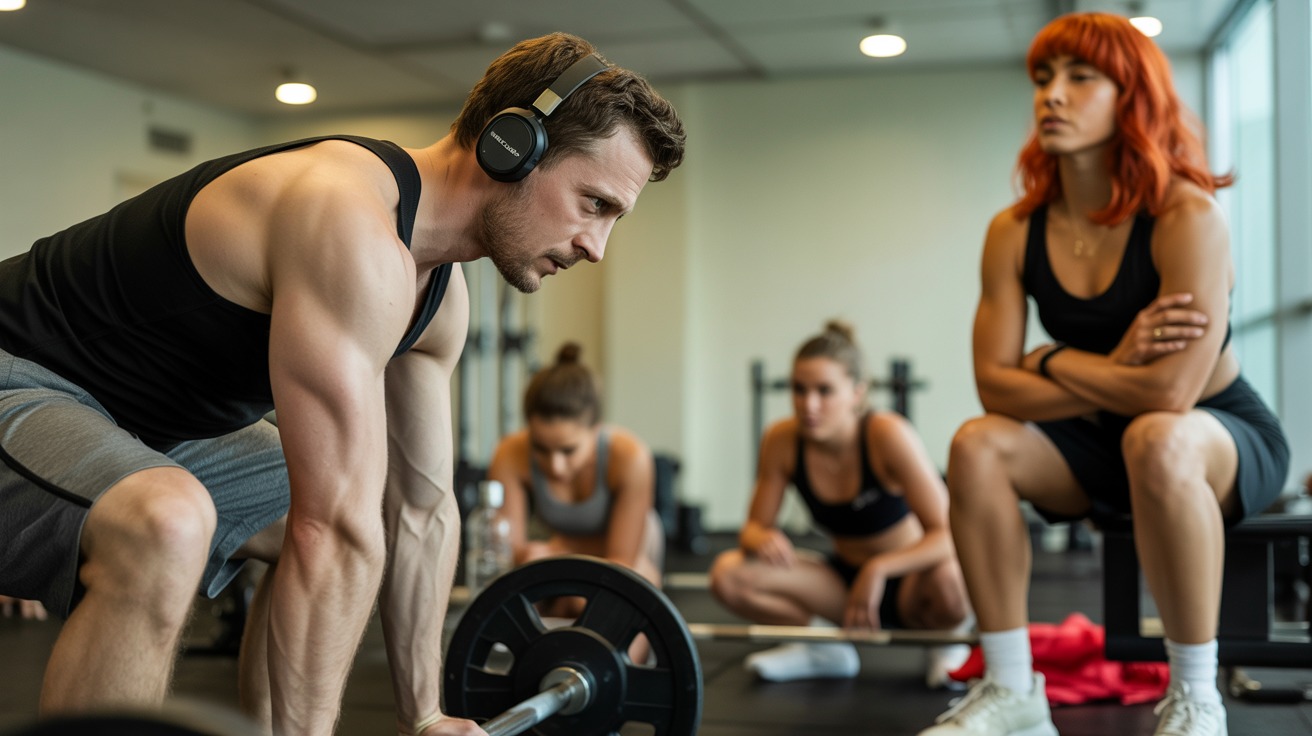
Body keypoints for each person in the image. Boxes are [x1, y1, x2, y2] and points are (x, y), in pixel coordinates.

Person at [0, 32, 684, 736]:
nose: (596, 248)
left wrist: (424, 715)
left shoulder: (438, 297)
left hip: (141, 426)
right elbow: (337, 532)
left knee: (321, 491)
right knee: (171, 520)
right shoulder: (345, 217)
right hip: (17, 374)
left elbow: (419, 510)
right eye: (593, 204)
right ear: (512, 146)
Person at [920, 12, 1288, 736]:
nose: (1051, 95)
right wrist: (1111, 366)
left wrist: (1049, 360)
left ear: (1132, 97)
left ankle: (1194, 697)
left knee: (1158, 435)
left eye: (1080, 77)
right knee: (976, 443)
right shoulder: (1015, 231)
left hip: (1218, 437)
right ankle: (1013, 689)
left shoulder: (1188, 216)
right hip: (1097, 441)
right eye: (1042, 78)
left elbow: (1173, 392)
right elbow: (994, 388)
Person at [709, 321, 971, 686]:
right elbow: (753, 527)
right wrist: (761, 539)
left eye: (824, 391)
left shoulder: (887, 434)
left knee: (952, 578)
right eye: (799, 390)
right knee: (729, 575)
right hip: (843, 583)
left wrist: (879, 568)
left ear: (857, 393)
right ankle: (824, 648)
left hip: (911, 581)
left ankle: (946, 642)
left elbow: (951, 534)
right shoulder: (782, 440)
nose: (809, 404)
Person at [486, 341, 664, 599]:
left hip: (633, 553)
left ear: (596, 430)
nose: (555, 466)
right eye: (541, 448)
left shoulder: (631, 456)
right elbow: (511, 555)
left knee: (628, 591)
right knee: (534, 580)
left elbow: (621, 563)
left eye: (568, 451)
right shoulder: (510, 453)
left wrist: (559, 550)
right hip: (567, 553)